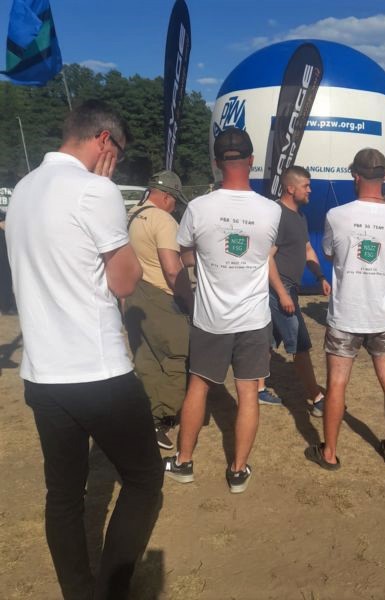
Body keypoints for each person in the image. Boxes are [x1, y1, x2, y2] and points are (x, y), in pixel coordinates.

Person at [5, 100, 163, 600]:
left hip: (42, 374)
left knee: (64, 495)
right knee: (144, 480)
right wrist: (107, 192)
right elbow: (125, 281)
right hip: (97, 371)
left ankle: (77, 592)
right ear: (103, 141)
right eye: (118, 151)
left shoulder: (24, 188)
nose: (117, 161)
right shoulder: (96, 189)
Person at [163, 127, 281, 493]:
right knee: (248, 393)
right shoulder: (271, 211)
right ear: (251, 161)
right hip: (254, 318)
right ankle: (238, 471)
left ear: (217, 163)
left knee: (198, 387)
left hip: (211, 317)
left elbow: (185, 256)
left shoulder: (198, 208)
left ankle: (184, 462)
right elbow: (265, 255)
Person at [304, 148, 385, 470]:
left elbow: (330, 253)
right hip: (383, 315)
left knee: (337, 383)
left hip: (346, 314)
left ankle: (330, 453)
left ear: (355, 176)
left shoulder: (337, 216)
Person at [124, 170, 193, 450]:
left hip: (134, 294)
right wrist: (189, 300)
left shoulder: (132, 214)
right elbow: (172, 268)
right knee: (179, 356)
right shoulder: (163, 220)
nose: (174, 206)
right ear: (165, 196)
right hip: (161, 297)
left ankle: (146, 413)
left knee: (146, 358)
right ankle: (163, 416)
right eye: (174, 200)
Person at [258, 166, 331, 414]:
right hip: (280, 289)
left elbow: (308, 249)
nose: (310, 190)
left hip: (288, 289)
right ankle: (317, 399)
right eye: (306, 186)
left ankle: (258, 389)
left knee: (269, 340)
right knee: (300, 344)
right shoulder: (278, 215)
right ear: (290, 188)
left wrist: (320, 276)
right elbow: (268, 257)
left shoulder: (300, 216)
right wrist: (282, 294)